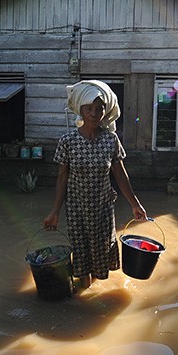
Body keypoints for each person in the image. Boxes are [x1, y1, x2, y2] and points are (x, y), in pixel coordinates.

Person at [43, 80, 147, 291]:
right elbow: (62, 177)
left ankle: (94, 296)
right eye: (89, 108)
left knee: (100, 253)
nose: (94, 113)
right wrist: (54, 211)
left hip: (103, 209)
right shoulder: (68, 141)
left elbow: (120, 174)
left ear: (104, 112)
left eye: (99, 109)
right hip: (76, 209)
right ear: (80, 110)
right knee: (81, 255)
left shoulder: (111, 140)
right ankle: (83, 294)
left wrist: (135, 204)